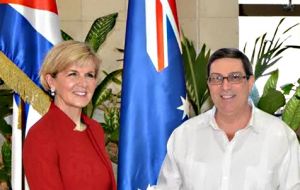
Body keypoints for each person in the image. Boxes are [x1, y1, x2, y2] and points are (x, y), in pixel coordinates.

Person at [155, 48, 300, 189]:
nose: (225, 86)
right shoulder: (184, 136)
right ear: (209, 84)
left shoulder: (281, 137)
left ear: (250, 82)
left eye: (235, 77)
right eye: (217, 78)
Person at [23, 40, 117, 190]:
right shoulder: (40, 136)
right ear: (51, 81)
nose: (83, 83)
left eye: (89, 75)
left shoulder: (94, 129)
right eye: (73, 74)